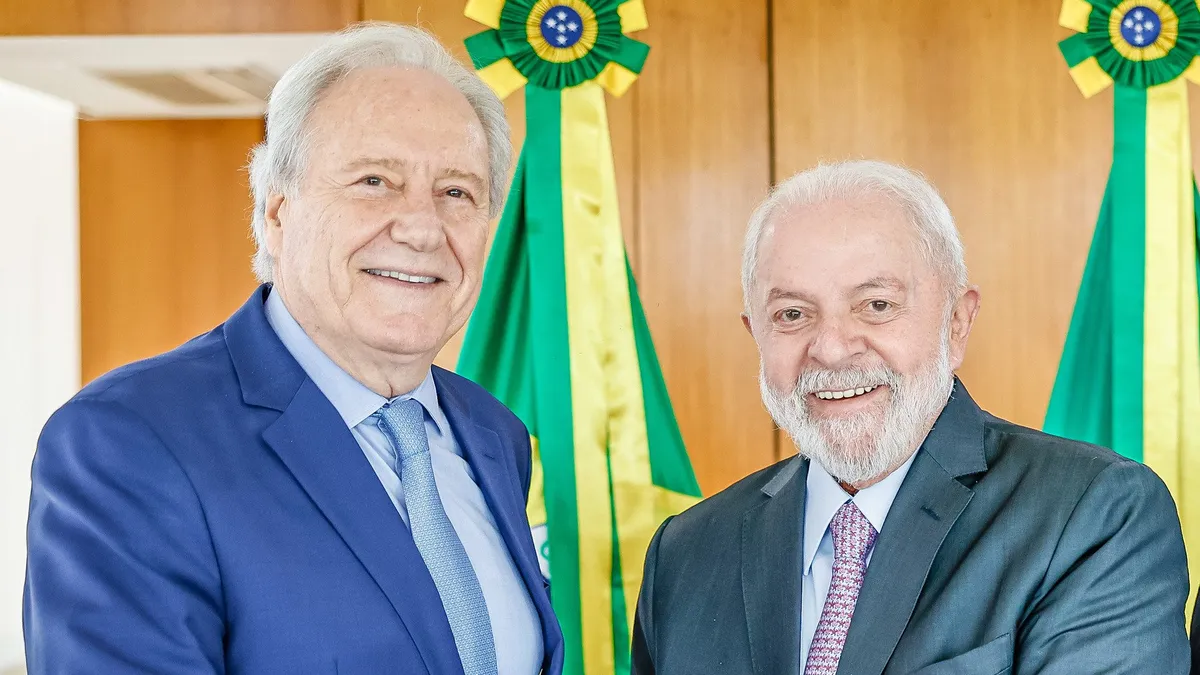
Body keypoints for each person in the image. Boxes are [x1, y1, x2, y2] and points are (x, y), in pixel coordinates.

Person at [24, 22, 562, 675]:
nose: (423, 228)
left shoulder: (495, 434)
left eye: (456, 192)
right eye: (375, 181)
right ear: (277, 212)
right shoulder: (128, 440)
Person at [630, 160, 1189, 674]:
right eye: (793, 314)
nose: (832, 348)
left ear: (957, 323)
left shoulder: (1094, 514)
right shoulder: (682, 555)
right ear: (755, 335)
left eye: (876, 305)